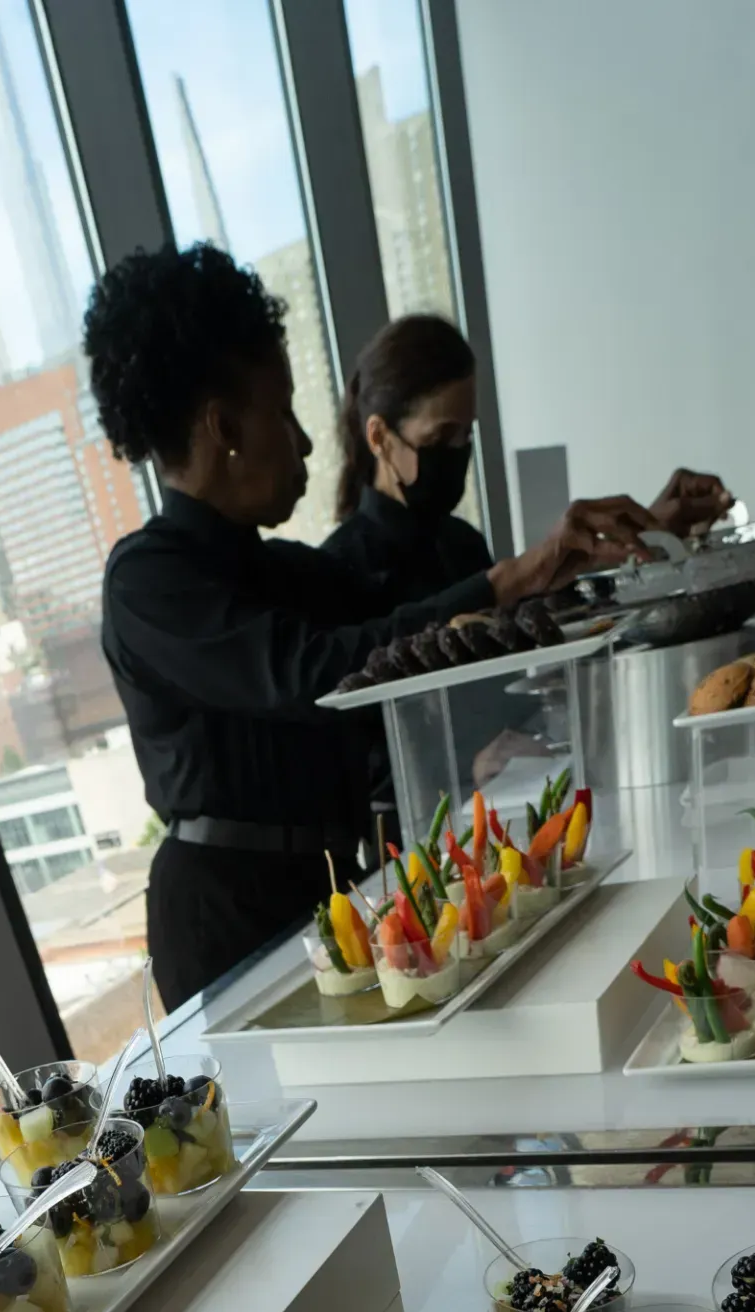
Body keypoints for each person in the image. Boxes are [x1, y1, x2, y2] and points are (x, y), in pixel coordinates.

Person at [87, 244, 655, 1010]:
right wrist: (519, 571)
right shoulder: (146, 581)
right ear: (223, 425)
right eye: (283, 410)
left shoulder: (279, 567)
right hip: (224, 918)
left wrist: (594, 555)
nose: (309, 440)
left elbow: (416, 622)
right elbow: (316, 671)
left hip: (325, 883)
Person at [322, 309, 734, 611]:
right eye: (441, 435)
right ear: (379, 437)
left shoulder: (461, 544)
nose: (456, 451)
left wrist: (647, 537)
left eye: (466, 434)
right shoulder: (341, 571)